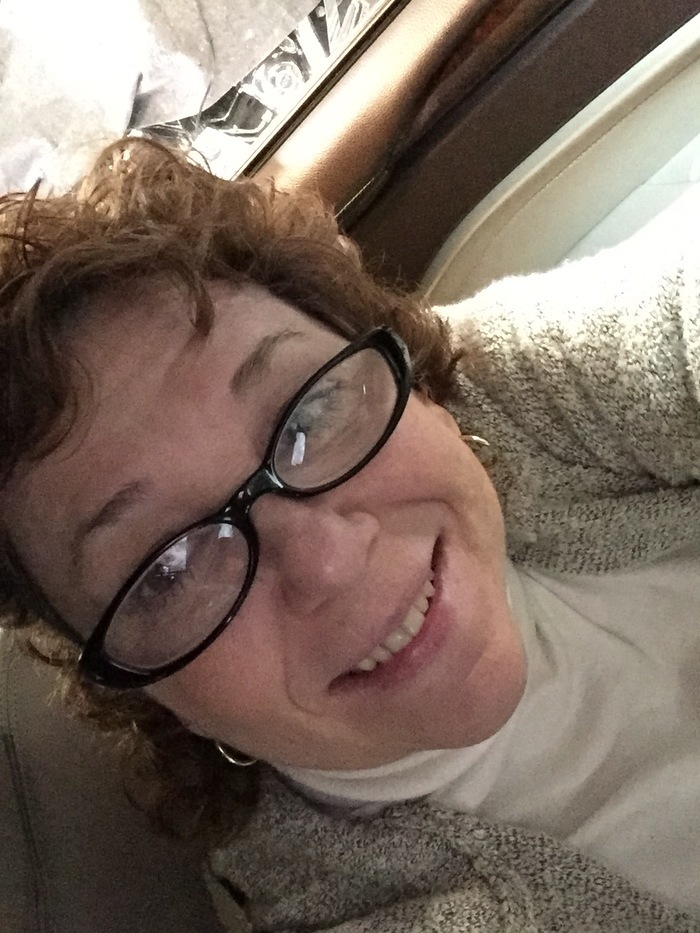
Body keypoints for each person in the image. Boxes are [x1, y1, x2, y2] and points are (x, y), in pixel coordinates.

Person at [0, 137, 699, 932]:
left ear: (408, 369)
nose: (326, 560)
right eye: (171, 565)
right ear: (146, 696)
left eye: (308, 415)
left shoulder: (499, 395)